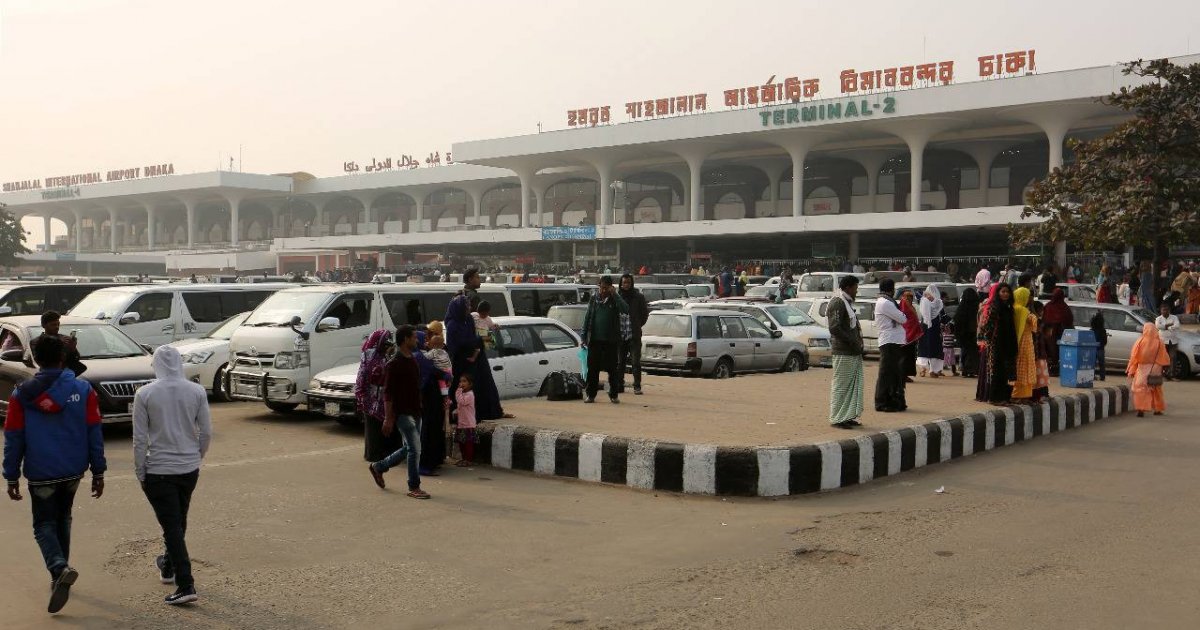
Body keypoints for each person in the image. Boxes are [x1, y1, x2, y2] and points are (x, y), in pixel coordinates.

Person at [3, 334, 105, 614]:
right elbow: (94, 431)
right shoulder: (84, 390)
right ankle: (60, 573)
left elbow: (13, 436)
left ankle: (59, 568)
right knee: (63, 518)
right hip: (74, 469)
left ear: (36, 359)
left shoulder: (22, 393)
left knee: (43, 524)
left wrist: (11, 475)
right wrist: (99, 470)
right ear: (62, 357)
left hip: (41, 471)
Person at [133, 345, 212, 606]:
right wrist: (195, 456)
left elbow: (140, 440)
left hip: (159, 469)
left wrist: (140, 471)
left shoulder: (145, 393)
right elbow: (206, 432)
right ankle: (168, 565)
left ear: (155, 365)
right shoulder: (197, 390)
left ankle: (186, 583)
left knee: (171, 525)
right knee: (177, 520)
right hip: (188, 468)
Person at [367, 325, 430, 499]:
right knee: (415, 449)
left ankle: (379, 467)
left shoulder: (412, 359)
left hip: (416, 410)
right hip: (403, 413)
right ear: (405, 340)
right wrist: (388, 418)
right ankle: (414, 486)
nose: (417, 340)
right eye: (414, 337)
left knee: (410, 448)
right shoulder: (394, 363)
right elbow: (388, 393)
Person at [581, 276, 628, 404]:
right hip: (595, 340)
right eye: (601, 288)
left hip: (610, 341)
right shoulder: (594, 299)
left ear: (610, 288)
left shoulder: (614, 299)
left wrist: (615, 294)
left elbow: (625, 309)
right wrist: (584, 336)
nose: (603, 291)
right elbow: (587, 317)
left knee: (612, 369)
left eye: (606, 288)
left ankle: (614, 394)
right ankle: (591, 395)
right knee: (593, 369)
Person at [357, 330, 401, 462]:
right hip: (372, 397)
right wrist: (361, 395)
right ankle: (375, 454)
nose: (387, 344)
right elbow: (362, 376)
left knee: (388, 425)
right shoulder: (368, 355)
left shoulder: (392, 354)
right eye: (385, 342)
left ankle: (390, 454)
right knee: (373, 427)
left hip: (386, 396)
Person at [827, 275, 864, 428]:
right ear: (848, 287)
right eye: (855, 288)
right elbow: (834, 327)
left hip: (852, 352)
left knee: (851, 386)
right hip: (843, 352)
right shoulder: (838, 302)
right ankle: (837, 418)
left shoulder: (845, 302)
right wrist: (852, 340)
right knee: (841, 386)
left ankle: (847, 416)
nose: (856, 291)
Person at [976, 283, 1017, 404]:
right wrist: (988, 341)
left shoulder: (1009, 308)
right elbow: (986, 326)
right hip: (996, 344)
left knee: (1007, 371)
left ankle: (1005, 397)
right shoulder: (994, 307)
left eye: (1007, 292)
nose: (1005, 294)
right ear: (998, 293)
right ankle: (995, 398)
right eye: (1002, 292)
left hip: (1008, 343)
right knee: (997, 370)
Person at [873, 279, 908, 413]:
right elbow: (903, 319)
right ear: (891, 289)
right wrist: (901, 314)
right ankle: (882, 401)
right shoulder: (885, 303)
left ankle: (893, 400)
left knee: (894, 373)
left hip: (893, 340)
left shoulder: (887, 302)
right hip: (889, 341)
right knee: (886, 373)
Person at [1127, 322, 1169, 417]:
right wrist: (1164, 368)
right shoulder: (1159, 342)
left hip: (1142, 369)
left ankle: (1141, 409)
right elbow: (1165, 358)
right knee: (1155, 389)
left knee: (1140, 389)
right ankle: (1158, 409)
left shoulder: (1140, 341)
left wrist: (1132, 369)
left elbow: (1134, 357)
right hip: (1155, 368)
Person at [617, 274, 649, 395]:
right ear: (621, 283)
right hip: (621, 335)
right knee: (620, 363)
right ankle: (620, 385)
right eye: (624, 282)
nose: (626, 285)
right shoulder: (617, 296)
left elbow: (644, 315)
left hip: (634, 335)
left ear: (632, 284)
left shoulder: (638, 297)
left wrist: (637, 325)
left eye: (628, 283)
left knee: (636, 362)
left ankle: (637, 386)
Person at [34, 311, 86, 376]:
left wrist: (73, 348)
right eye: (53, 324)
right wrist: (58, 343)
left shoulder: (66, 339)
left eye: (58, 324)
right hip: (48, 376)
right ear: (44, 325)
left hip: (66, 376)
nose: (57, 327)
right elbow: (40, 361)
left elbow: (75, 360)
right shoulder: (37, 341)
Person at [1009, 287, 1038, 401]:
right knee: (1025, 367)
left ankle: (1015, 394)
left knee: (1017, 367)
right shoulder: (1025, 312)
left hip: (1014, 342)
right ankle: (1021, 396)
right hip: (1025, 343)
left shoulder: (1012, 309)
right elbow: (1035, 324)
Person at [1042, 288, 1074, 375]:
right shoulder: (1065, 307)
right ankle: (1055, 369)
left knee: (1051, 350)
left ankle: (1051, 368)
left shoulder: (1048, 306)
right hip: (1061, 334)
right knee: (1058, 351)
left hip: (1050, 333)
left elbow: (1044, 319)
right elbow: (1069, 321)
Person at [916, 285, 944, 377]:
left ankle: (923, 369)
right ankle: (933, 370)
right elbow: (942, 315)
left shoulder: (924, 301)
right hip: (935, 328)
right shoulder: (939, 303)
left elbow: (923, 315)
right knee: (935, 347)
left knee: (924, 346)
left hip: (925, 327)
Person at [954, 288, 980, 378]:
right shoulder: (977, 306)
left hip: (963, 334)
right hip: (973, 333)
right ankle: (972, 370)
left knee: (965, 351)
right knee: (973, 352)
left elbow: (957, 321)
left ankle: (965, 370)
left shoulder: (962, 307)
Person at [898, 289, 922, 382]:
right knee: (904, 356)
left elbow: (914, 319)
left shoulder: (911, 307)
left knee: (910, 356)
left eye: (911, 297)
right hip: (906, 335)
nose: (909, 299)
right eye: (907, 297)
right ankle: (902, 375)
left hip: (912, 336)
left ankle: (906, 374)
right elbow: (906, 321)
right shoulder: (904, 307)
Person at [454, 374, 476, 466]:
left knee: (468, 444)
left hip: (468, 424)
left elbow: (462, 401)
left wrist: (458, 391)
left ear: (470, 384)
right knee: (462, 443)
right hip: (461, 424)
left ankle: (469, 460)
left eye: (464, 381)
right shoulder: (463, 394)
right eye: (460, 381)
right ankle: (464, 459)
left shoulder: (470, 394)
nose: (461, 383)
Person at [1155, 303, 1181, 380]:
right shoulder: (1158, 319)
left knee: (1173, 357)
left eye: (1167, 309)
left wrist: (1166, 327)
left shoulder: (1174, 317)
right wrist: (1169, 325)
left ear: (1169, 310)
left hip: (1173, 341)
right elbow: (1158, 326)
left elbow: (1177, 325)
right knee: (1163, 358)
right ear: (1161, 311)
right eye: (1163, 310)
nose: (1165, 311)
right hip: (1163, 341)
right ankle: (1163, 375)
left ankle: (1172, 375)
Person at [1090, 309, 1108, 382]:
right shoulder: (1103, 330)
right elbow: (1105, 341)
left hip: (1093, 349)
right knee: (1102, 364)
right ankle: (1102, 377)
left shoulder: (1091, 330)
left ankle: (1092, 376)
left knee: (1092, 363)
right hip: (1100, 349)